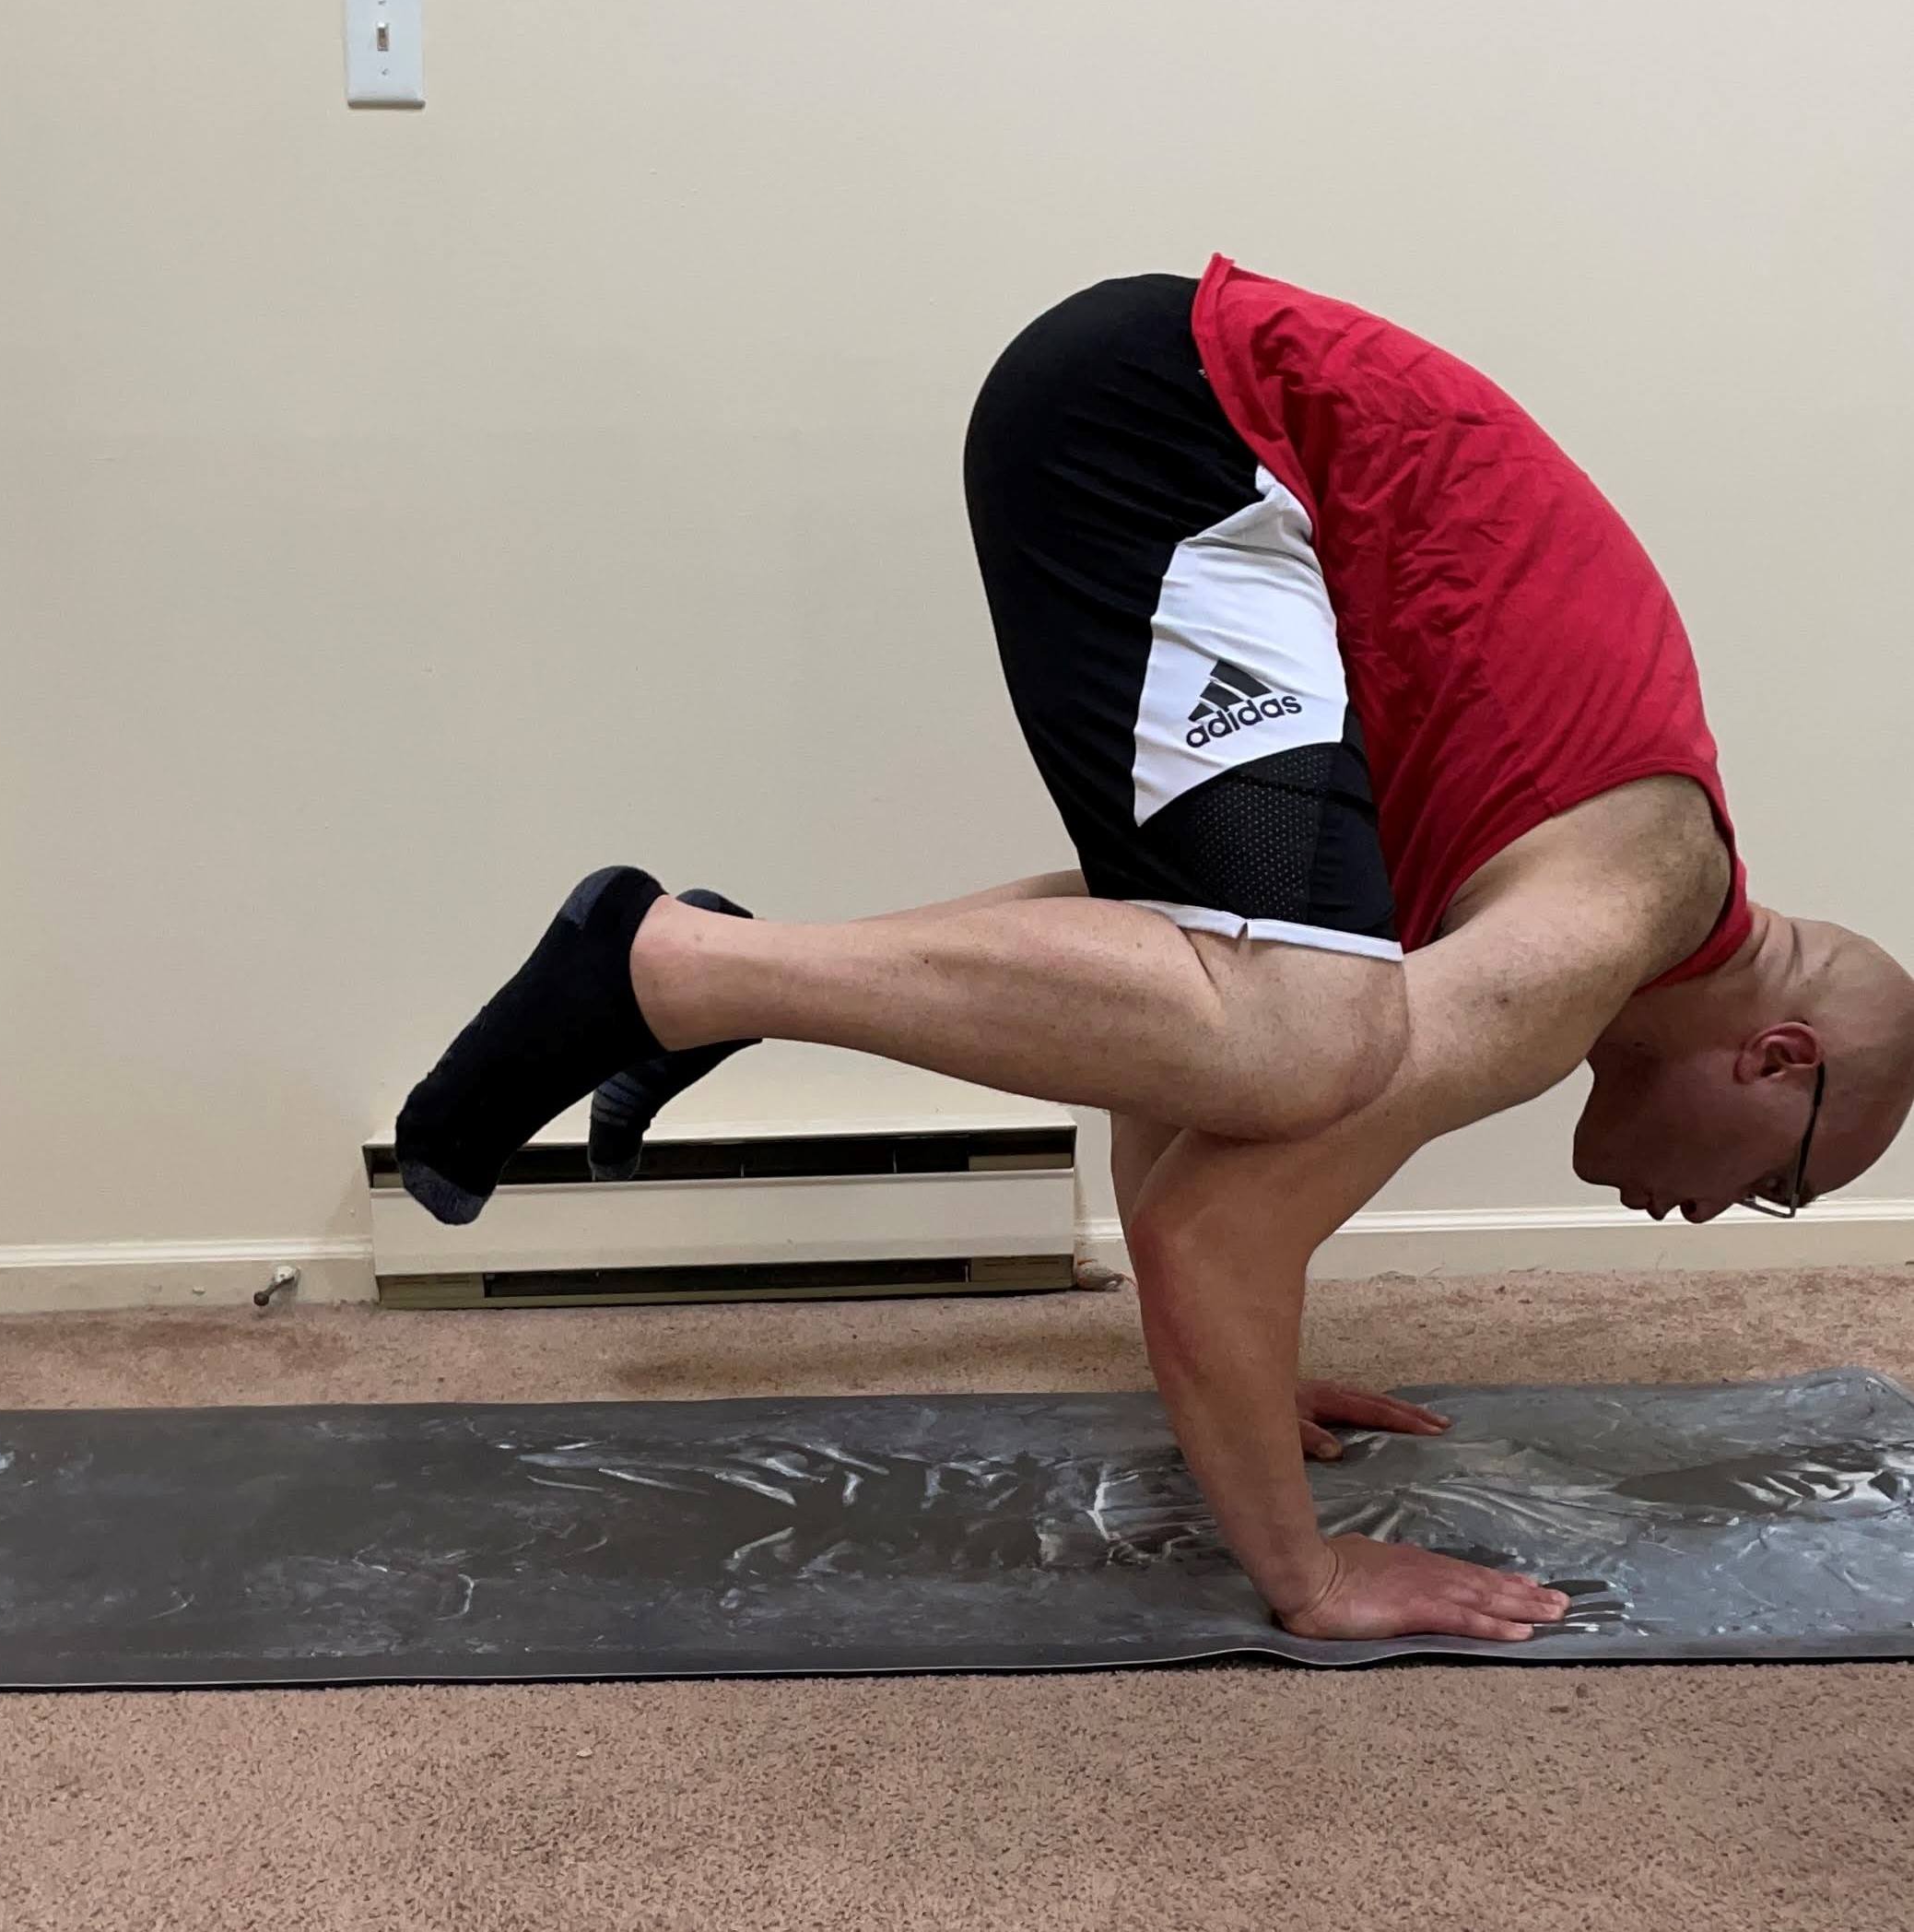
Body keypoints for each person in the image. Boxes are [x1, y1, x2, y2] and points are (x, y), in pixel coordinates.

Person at [395, 258, 1914, 1644]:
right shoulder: (1595, 929)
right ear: (1778, 1056)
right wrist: (1308, 1571)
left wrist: (1236, 1373)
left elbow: (1185, 1071)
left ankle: (706, 966)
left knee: (1268, 991)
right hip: (1184, 425)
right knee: (1313, 1026)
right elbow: (1212, 1228)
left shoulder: (1586, 853)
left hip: (1166, 415)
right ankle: (667, 966)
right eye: (1783, 1178)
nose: (1723, 1214)